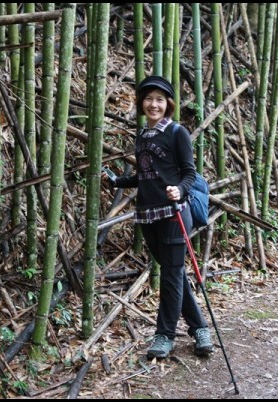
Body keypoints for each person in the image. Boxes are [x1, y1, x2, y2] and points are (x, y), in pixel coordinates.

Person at [102, 75, 214, 359]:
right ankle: (200, 328)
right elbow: (145, 176)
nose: (154, 104)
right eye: (149, 99)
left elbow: (189, 172)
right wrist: (117, 182)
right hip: (147, 214)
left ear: (168, 104)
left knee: (171, 274)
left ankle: (164, 335)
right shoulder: (142, 135)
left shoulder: (177, 132)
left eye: (160, 100)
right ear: (141, 103)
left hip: (175, 212)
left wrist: (180, 189)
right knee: (173, 273)